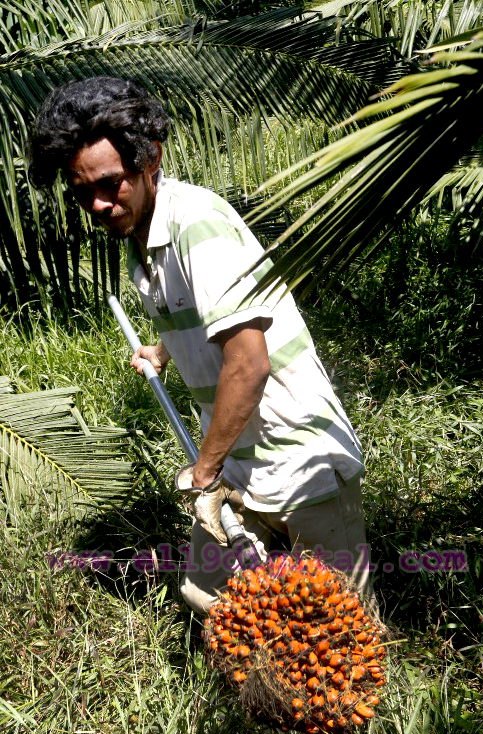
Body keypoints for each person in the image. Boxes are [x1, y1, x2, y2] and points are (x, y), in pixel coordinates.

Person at [30, 76, 372, 613]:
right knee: (212, 598)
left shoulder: (196, 225)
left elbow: (249, 364)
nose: (98, 203)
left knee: (334, 628)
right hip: (240, 458)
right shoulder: (142, 233)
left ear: (151, 159)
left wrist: (204, 473)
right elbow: (203, 312)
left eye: (110, 184)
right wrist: (162, 350)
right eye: (82, 192)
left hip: (299, 460)